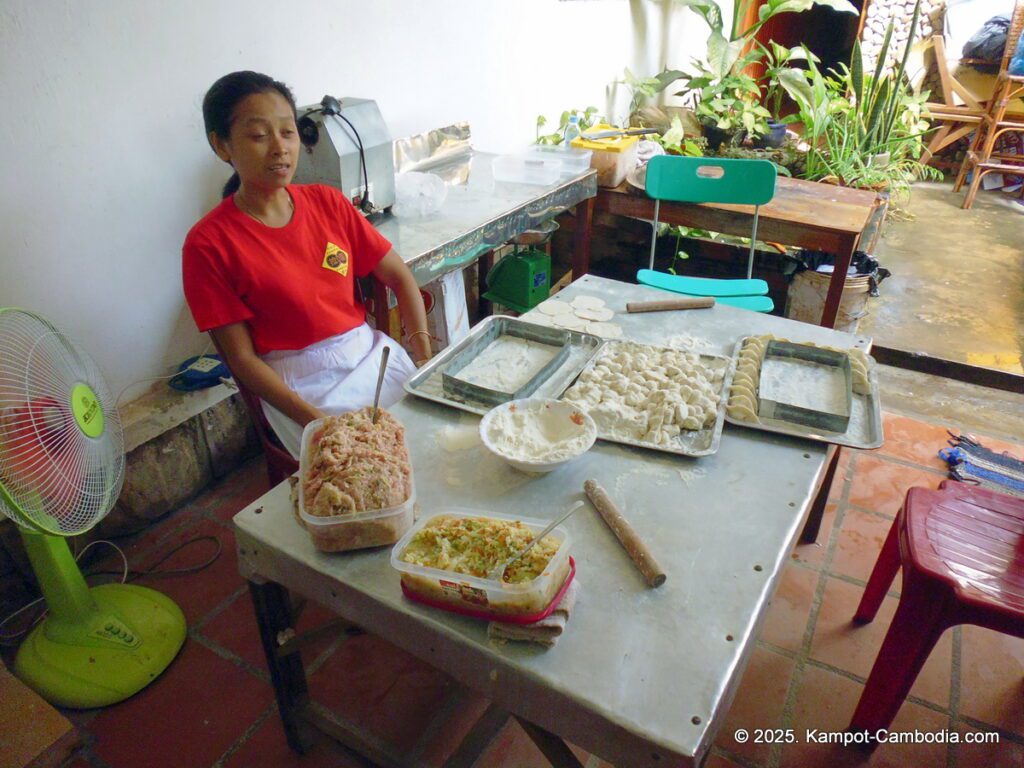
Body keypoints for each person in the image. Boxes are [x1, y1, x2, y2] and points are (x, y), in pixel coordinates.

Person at [182, 71, 431, 458]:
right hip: (297, 385)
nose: (280, 148)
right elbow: (243, 360)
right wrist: (316, 421)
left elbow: (398, 275)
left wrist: (422, 353)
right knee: (363, 468)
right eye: (260, 135)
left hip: (368, 355)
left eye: (288, 132)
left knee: (431, 433)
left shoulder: (327, 203)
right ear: (222, 146)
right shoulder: (208, 244)